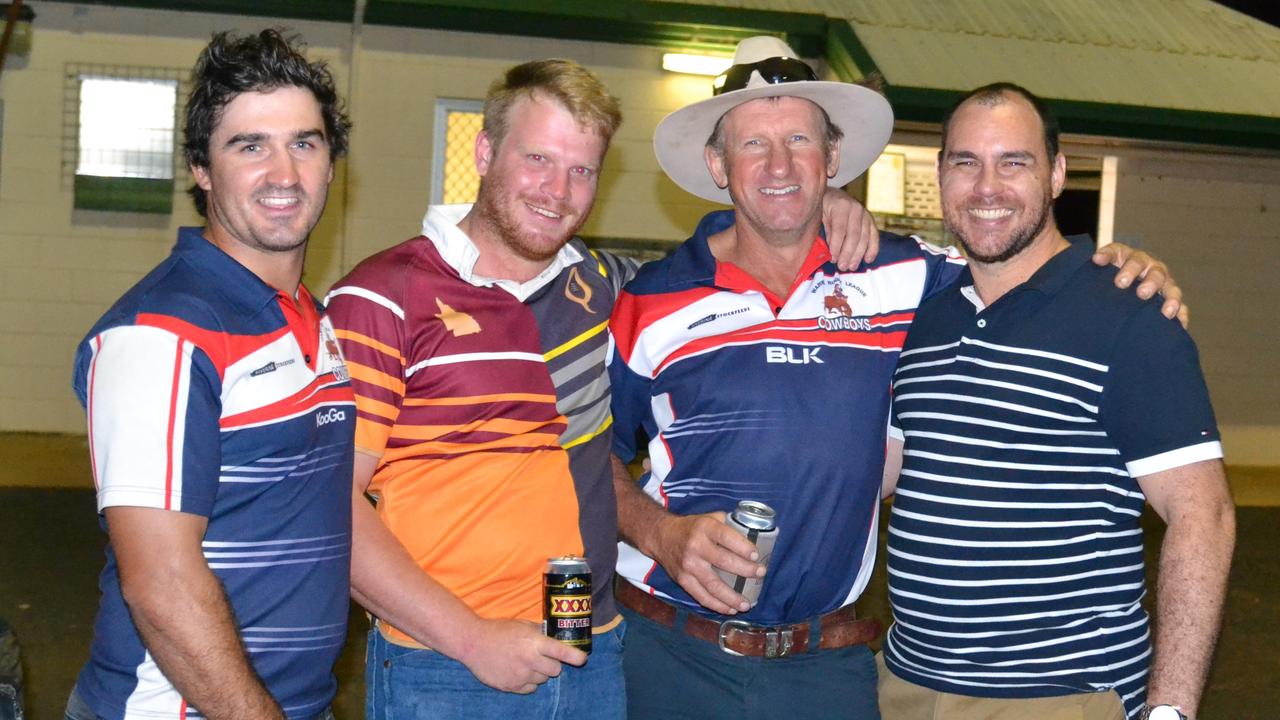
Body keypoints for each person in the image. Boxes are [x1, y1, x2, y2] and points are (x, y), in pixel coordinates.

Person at [606, 37, 1185, 720]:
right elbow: (587, 453)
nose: (780, 164)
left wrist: (1123, 270)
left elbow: (1018, 259)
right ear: (718, 165)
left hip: (825, 665)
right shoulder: (650, 300)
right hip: (668, 650)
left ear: (833, 160)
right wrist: (658, 533)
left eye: (799, 139)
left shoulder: (905, 276)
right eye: (753, 144)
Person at [325, 54, 881, 719]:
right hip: (446, 666)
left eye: (581, 170)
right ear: (483, 151)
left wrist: (822, 199)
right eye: (537, 160)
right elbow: (330, 506)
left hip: (598, 653)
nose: (556, 192)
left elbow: (735, 258)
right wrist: (469, 639)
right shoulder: (382, 295)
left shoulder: (605, 291)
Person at [877, 84, 1234, 720]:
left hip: (1060, 698)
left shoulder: (1130, 317)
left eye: (1014, 162)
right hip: (905, 685)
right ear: (941, 176)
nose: (988, 187)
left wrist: (1171, 710)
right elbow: (882, 475)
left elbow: (1203, 518)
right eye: (966, 162)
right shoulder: (923, 319)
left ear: (1057, 175)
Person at [65, 29, 354, 720]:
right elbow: (160, 584)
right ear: (201, 168)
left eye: (304, 143)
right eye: (249, 145)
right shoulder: (161, 334)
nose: (284, 173)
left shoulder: (307, 316)